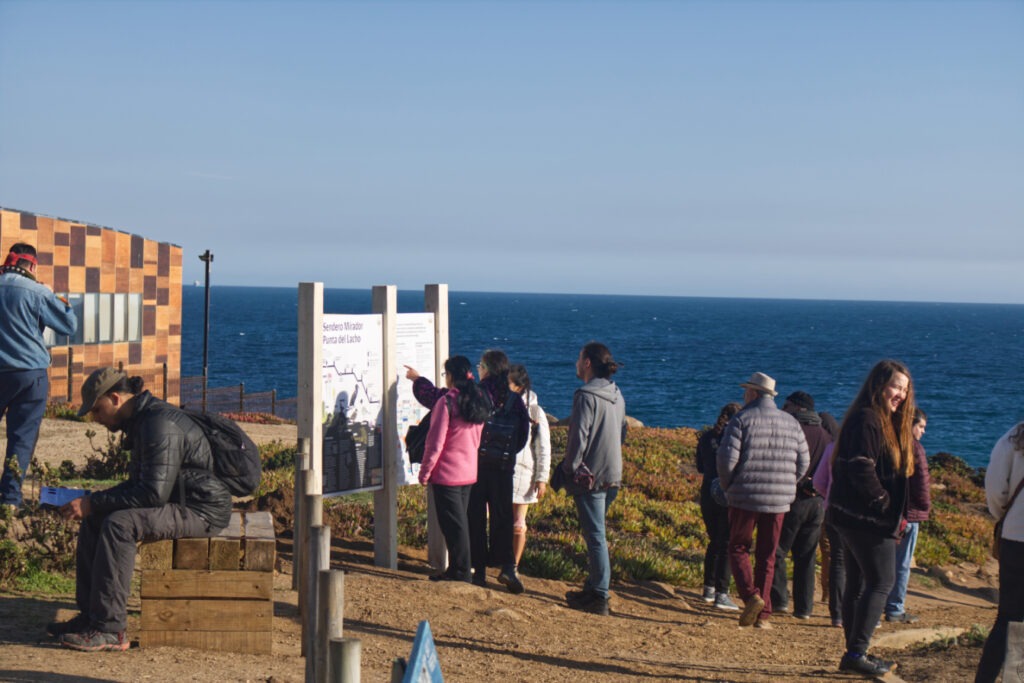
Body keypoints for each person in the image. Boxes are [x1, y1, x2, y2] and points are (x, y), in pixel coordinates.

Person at [49, 368, 232, 652]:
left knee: (120, 524)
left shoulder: (158, 424)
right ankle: (91, 618)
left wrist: (92, 502)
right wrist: (90, 503)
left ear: (115, 398)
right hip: (178, 501)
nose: (95, 418)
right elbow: (142, 485)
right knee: (95, 518)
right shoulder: (143, 420)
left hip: (200, 509)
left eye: (97, 410)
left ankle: (110, 630)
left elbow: (152, 494)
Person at [410, 350, 529, 592]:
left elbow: (433, 396)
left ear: (486, 368)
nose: (478, 368)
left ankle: (479, 572)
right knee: (503, 516)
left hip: (473, 465)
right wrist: (507, 455)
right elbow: (523, 434)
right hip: (503, 467)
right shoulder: (514, 398)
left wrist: (417, 380)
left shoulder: (477, 393)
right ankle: (507, 566)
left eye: (481, 364)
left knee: (473, 519)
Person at [828, 359, 915, 677]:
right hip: (866, 519)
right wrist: (883, 503)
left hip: (849, 516)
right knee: (881, 582)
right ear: (879, 386)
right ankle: (856, 653)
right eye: (896, 387)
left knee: (858, 583)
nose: (901, 395)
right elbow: (860, 466)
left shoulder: (874, 419)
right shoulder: (868, 419)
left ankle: (855, 651)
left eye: (905, 389)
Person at [716, 372, 809, 629]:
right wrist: (789, 483)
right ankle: (763, 614)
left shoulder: (741, 420)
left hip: (744, 496)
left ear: (753, 393)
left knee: (738, 548)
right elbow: (804, 462)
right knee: (767, 555)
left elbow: (726, 461)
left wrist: (729, 486)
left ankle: (751, 596)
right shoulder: (791, 423)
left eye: (747, 390)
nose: (744, 395)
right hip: (779, 500)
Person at [1, 243, 77, 508]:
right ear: (32, 266)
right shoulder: (36, 291)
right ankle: (10, 500)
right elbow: (68, 325)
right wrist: (56, 298)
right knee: (21, 438)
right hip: (30, 374)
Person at [558, 342, 627, 616]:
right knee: (596, 532)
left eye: (579, 358)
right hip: (613, 474)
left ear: (587, 363)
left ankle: (599, 595)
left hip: (591, 476)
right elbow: (622, 432)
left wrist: (568, 468)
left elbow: (579, 437)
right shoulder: (616, 394)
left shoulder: (585, 395)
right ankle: (592, 588)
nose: (576, 363)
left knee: (595, 535)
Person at [415, 356, 491, 582]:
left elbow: (435, 442)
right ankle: (459, 569)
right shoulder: (477, 400)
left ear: (450, 376)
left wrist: (425, 471)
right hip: (468, 472)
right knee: (461, 524)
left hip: (447, 474)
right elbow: (477, 438)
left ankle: (461, 572)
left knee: (453, 525)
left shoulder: (446, 402)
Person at [771, 391, 831, 619]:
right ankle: (804, 608)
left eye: (786, 406)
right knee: (806, 556)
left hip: (792, 498)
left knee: (777, 550)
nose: (783, 410)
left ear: (796, 408)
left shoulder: (793, 432)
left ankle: (779, 600)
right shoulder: (826, 435)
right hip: (817, 502)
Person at [975, 422, 1024, 682]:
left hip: (1015, 538)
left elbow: (995, 490)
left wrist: (1008, 515)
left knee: (1008, 619)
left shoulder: (1013, 439)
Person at [884, 408, 931, 624]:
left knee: (883, 561)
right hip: (909, 514)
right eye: (920, 427)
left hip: (887, 511)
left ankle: (880, 603)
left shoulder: (888, 442)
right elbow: (922, 483)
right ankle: (895, 608)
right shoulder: (915, 448)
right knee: (902, 562)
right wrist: (924, 508)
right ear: (910, 424)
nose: (922, 432)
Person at [696, 402, 742, 611]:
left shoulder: (706, 437)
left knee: (714, 541)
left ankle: (708, 589)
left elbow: (699, 466)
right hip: (728, 492)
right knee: (726, 543)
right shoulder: (735, 439)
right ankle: (722, 593)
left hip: (707, 491)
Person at [508, 364, 551, 569]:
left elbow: (544, 447)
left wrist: (542, 478)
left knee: (518, 525)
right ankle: (501, 562)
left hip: (524, 473)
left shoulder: (535, 410)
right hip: (501, 470)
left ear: (518, 386)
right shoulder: (500, 404)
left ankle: (513, 566)